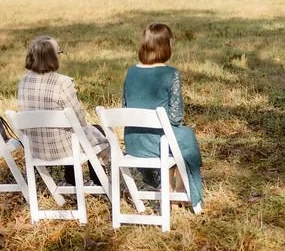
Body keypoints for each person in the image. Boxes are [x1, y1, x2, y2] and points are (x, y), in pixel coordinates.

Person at [121, 23, 203, 210]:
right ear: (165, 45)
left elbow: (124, 107)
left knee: (175, 137)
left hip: (134, 143)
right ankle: (180, 192)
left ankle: (171, 191)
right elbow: (175, 118)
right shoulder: (170, 74)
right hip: (158, 143)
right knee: (185, 138)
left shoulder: (131, 72)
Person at [17, 35, 110, 184]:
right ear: (52, 58)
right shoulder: (62, 82)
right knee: (93, 130)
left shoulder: (23, 82)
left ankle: (71, 179)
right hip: (63, 149)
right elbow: (79, 120)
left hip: (36, 149)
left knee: (71, 132)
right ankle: (100, 181)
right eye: (59, 53)